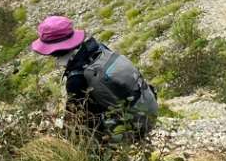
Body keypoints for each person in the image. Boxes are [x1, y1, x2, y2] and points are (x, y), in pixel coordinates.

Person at [30, 14, 158, 142]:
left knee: (82, 138)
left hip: (135, 129)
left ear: (53, 51)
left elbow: (78, 120)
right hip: (149, 107)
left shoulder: (76, 78)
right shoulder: (97, 48)